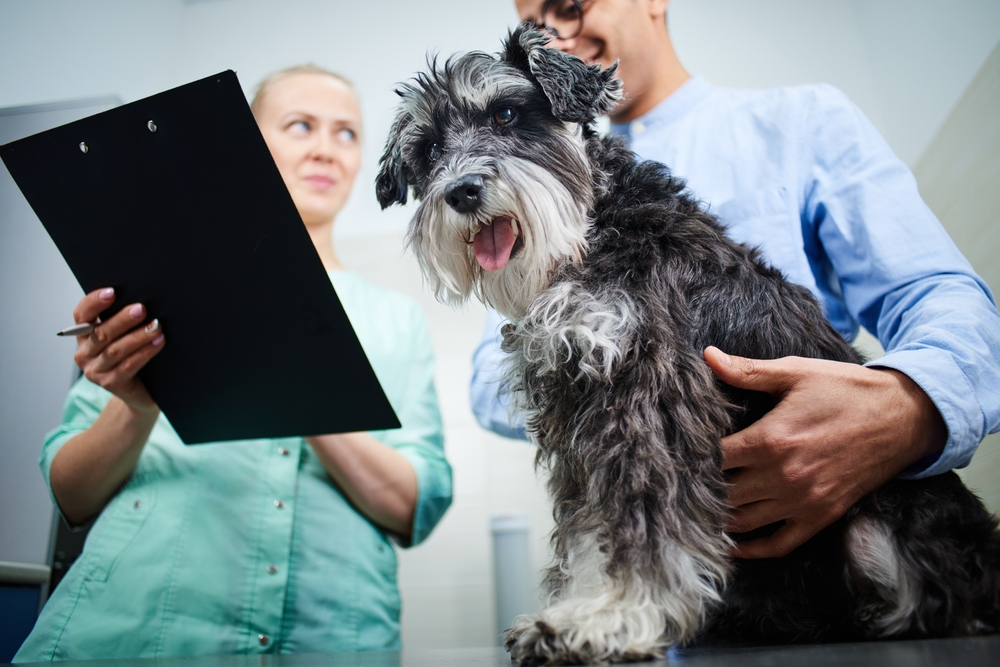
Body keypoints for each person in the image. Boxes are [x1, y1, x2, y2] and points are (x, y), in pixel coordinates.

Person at [471, 0, 1000, 559]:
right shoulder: (522, 192)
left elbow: (947, 304)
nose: (554, 39)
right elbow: (489, 382)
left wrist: (904, 409)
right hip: (659, 559)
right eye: (536, 26)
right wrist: (634, 392)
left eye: (571, 6)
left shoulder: (802, 120)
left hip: (851, 536)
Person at [16, 65, 452, 661]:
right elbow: (71, 493)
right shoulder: (158, 288)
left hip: (331, 638)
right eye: (301, 125)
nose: (326, 148)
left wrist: (295, 370)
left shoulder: (397, 319)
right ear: (247, 140)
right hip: (133, 632)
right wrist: (138, 407)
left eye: (346, 133)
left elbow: (415, 506)